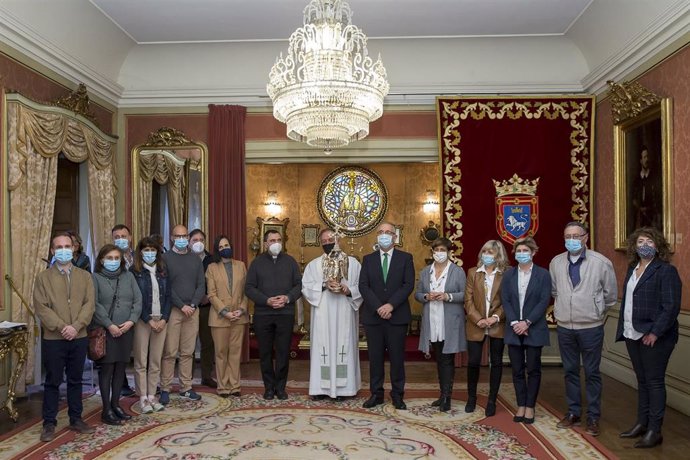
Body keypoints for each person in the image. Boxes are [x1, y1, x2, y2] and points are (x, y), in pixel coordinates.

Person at [616, 227, 681, 448]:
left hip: (655, 336)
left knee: (654, 382)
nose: (645, 245)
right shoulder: (633, 268)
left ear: (658, 246)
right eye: (641, 241)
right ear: (634, 246)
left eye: (650, 242)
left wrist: (655, 332)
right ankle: (641, 424)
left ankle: (655, 430)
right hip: (632, 333)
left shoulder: (665, 271)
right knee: (642, 381)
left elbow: (670, 307)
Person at [550, 221, 617, 437]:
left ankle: (594, 417)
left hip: (591, 327)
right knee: (570, 371)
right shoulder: (556, 262)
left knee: (592, 372)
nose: (571, 240)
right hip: (565, 327)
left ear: (585, 238)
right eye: (567, 236)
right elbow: (555, 290)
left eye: (576, 236)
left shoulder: (601, 262)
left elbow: (610, 296)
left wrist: (595, 310)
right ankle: (573, 412)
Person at [34, 232, 96, 442]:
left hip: (79, 337)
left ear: (73, 249)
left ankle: (76, 418)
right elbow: (41, 308)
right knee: (52, 381)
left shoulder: (85, 276)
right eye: (58, 246)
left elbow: (89, 304)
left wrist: (76, 326)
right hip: (54, 338)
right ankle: (49, 423)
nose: (63, 250)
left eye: (67, 246)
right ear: (52, 251)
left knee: (76, 379)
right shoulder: (43, 278)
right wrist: (63, 327)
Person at [359, 222, 415, 410]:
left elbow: (408, 285)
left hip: (397, 316)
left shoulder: (406, 258)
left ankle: (398, 395)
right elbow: (363, 286)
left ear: (395, 237)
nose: (384, 235)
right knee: (375, 358)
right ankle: (376, 394)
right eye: (381, 232)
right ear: (377, 236)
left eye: (388, 232)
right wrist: (378, 307)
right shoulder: (368, 259)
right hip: (373, 318)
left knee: (397, 358)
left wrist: (390, 305)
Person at [302, 229, 363, 401]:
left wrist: (348, 289)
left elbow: (363, 286)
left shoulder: (352, 263)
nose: (328, 242)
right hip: (323, 313)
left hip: (344, 311)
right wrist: (323, 284)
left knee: (344, 347)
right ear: (321, 243)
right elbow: (306, 287)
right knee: (323, 349)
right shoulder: (313, 265)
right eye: (324, 240)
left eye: (331, 239)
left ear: (338, 240)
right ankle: (320, 388)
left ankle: (345, 389)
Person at [245, 230, 302, 400]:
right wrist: (266, 300)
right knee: (265, 353)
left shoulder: (291, 262)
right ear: (265, 243)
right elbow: (249, 288)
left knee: (283, 352)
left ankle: (281, 387)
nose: (275, 243)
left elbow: (299, 285)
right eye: (272, 240)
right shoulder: (256, 263)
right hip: (263, 314)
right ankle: (269, 387)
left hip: (285, 313)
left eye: (278, 240)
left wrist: (288, 297)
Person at [501, 237, 551, 424]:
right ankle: (521, 404)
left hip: (534, 328)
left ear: (533, 253)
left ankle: (530, 406)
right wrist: (515, 322)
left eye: (525, 251)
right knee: (517, 370)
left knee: (533, 369)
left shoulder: (543, 274)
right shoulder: (509, 275)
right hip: (513, 328)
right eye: (519, 251)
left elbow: (544, 300)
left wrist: (527, 322)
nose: (522, 254)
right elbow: (505, 299)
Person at [91, 244, 142, 425]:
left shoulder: (128, 277)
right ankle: (106, 410)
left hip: (126, 330)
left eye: (116, 258)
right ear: (102, 260)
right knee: (107, 369)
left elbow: (138, 300)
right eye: (109, 258)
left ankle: (116, 405)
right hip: (106, 331)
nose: (113, 262)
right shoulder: (95, 278)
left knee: (121, 368)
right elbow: (94, 304)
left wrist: (131, 321)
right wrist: (109, 325)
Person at [415, 237, 466, 412]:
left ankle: (447, 397)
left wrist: (447, 296)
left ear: (449, 252)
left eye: (442, 250)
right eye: (436, 250)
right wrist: (425, 297)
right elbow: (418, 294)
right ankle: (442, 394)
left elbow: (464, 294)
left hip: (449, 322)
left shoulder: (457, 271)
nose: (439, 253)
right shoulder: (425, 272)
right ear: (432, 252)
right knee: (439, 359)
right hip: (432, 320)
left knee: (447, 359)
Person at [160, 224, 206, 403]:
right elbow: (166, 286)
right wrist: (181, 305)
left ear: (188, 238)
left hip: (192, 311)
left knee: (188, 352)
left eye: (184, 236)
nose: (181, 239)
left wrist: (193, 304)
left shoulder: (195, 259)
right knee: (170, 351)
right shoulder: (165, 258)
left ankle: (186, 387)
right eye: (178, 236)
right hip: (174, 310)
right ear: (171, 238)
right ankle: (165, 387)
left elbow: (201, 284)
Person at [464, 240, 508, 416]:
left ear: (498, 255)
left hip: (497, 324)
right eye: (484, 251)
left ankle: (492, 400)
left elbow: (508, 300)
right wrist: (479, 319)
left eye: (491, 252)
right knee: (473, 362)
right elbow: (468, 300)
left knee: (496, 363)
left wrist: (495, 318)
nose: (487, 255)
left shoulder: (506, 274)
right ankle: (471, 398)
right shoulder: (473, 273)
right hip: (476, 324)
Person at [131, 236, 171, 413]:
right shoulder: (135, 271)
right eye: (146, 250)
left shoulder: (162, 270)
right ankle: (143, 398)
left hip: (161, 319)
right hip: (143, 320)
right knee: (141, 360)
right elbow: (136, 299)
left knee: (155, 360)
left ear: (158, 251)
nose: (149, 253)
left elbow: (169, 296)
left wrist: (164, 319)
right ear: (140, 252)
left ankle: (153, 396)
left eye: (152, 250)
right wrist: (148, 319)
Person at [206, 235, 249, 397]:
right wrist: (225, 311)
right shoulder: (212, 268)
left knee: (235, 352)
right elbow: (211, 294)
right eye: (222, 246)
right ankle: (223, 386)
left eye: (227, 245)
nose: (225, 248)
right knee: (221, 352)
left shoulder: (241, 266)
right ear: (217, 250)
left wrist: (242, 309)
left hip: (239, 316)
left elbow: (246, 291)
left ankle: (235, 385)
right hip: (219, 317)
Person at [189, 228, 217, 388]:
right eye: (195, 240)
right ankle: (188, 378)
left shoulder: (212, 260)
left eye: (201, 240)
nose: (198, 243)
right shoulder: (184, 258)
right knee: (189, 344)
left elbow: (216, 281)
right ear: (189, 242)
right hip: (189, 308)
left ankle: (207, 376)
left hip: (207, 306)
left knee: (208, 343)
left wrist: (209, 296)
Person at [112, 224, 137, 397]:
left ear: (130, 238)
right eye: (117, 236)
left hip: (138, 309)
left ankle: (146, 383)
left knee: (141, 350)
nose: (121, 239)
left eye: (124, 235)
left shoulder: (139, 257)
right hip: (118, 312)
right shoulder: (109, 259)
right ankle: (122, 384)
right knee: (120, 352)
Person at [632, 146, 662, 230]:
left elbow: (658, 198)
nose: (647, 160)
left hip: (652, 217)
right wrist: (640, 208)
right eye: (644, 157)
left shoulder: (654, 178)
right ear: (641, 160)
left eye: (647, 157)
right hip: (640, 217)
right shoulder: (637, 180)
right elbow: (633, 200)